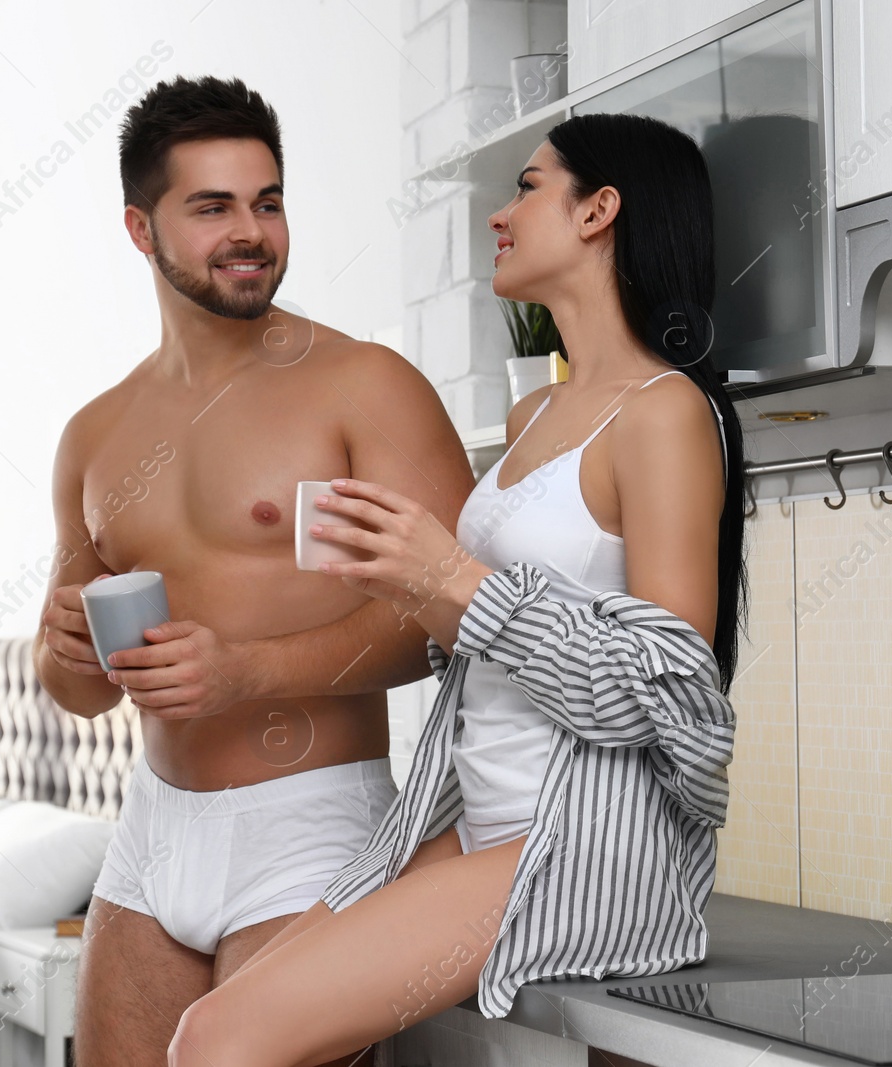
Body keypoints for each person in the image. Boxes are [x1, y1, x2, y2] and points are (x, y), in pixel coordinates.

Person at [167, 111, 748, 1067]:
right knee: (215, 1026)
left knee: (219, 1042)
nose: (498, 214)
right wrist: (410, 578)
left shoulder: (665, 414)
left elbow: (673, 690)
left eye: (527, 186)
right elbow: (483, 633)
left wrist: (452, 578)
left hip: (575, 850)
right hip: (469, 820)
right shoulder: (535, 411)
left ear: (601, 209)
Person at [31, 75, 475, 1067]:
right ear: (141, 231)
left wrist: (247, 672)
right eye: (214, 206)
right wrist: (60, 652)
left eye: (267, 202)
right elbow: (76, 689)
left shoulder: (365, 385)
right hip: (152, 833)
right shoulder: (94, 435)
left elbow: (453, 618)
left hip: (310, 822)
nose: (252, 231)